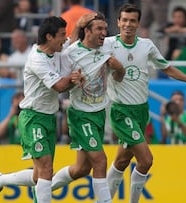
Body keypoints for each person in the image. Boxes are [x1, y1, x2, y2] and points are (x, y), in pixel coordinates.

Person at [101, 4, 186, 202]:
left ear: (138, 24)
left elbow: (166, 67)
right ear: (118, 22)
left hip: (141, 111)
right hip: (121, 112)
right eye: (124, 20)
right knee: (146, 160)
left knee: (122, 160)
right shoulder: (107, 44)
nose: (128, 25)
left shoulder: (146, 45)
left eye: (132, 21)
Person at [0, 14, 95, 203]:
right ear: (49, 37)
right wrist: (74, 80)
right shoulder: (37, 60)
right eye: (62, 34)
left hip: (49, 117)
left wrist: (78, 25)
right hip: (32, 118)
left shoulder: (56, 52)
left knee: (39, 176)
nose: (65, 38)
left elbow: (71, 42)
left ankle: (0, 179)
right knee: (46, 170)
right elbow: (60, 87)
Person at [50, 12, 125, 203]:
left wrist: (120, 68)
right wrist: (73, 81)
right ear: (87, 31)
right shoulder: (71, 53)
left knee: (81, 169)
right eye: (99, 28)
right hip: (81, 116)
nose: (104, 33)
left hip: (99, 114)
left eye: (105, 29)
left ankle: (44, 188)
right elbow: (60, 86)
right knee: (100, 160)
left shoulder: (108, 46)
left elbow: (120, 74)